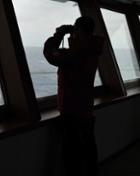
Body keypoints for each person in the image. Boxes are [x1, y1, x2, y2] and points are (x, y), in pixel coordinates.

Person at [43, 16, 104, 176]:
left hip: (71, 107)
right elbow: (74, 51)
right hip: (85, 106)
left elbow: (50, 54)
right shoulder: (92, 48)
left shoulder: (76, 52)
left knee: (72, 151)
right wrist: (72, 36)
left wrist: (58, 35)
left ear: (78, 30)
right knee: (88, 146)